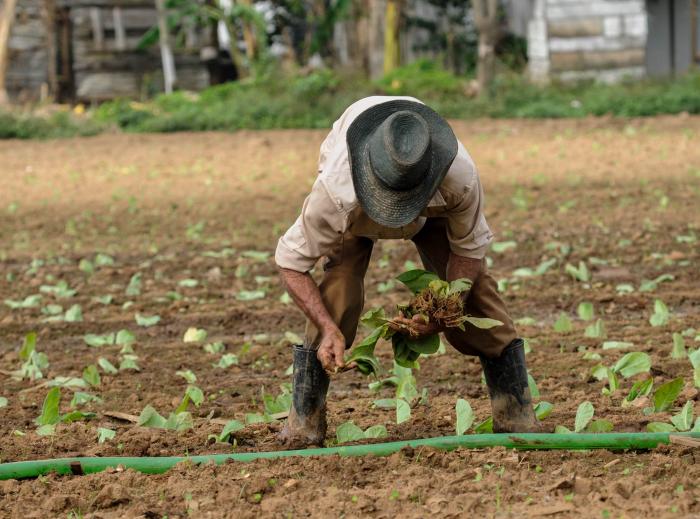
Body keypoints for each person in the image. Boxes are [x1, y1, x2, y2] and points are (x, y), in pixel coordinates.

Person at [275, 96, 539, 447]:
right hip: (355, 213)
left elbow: (468, 249)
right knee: (339, 292)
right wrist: (327, 327)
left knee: (475, 298)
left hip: (434, 213)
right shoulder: (338, 191)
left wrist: (444, 310)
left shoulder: (458, 179)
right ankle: (303, 423)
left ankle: (515, 414)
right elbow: (291, 263)